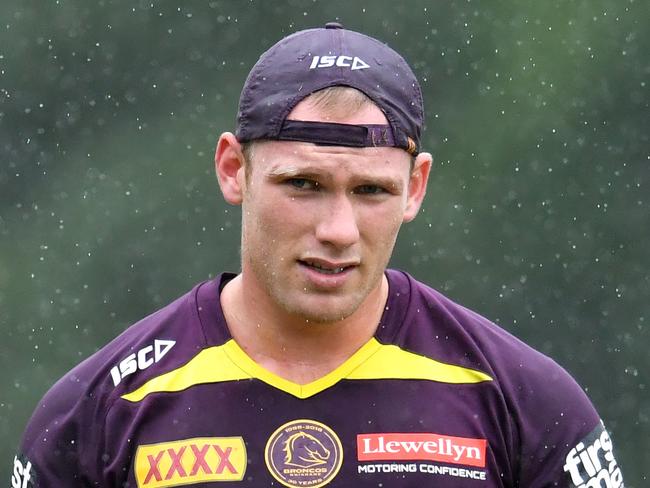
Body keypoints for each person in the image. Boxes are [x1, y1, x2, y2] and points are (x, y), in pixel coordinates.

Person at [12, 23, 624, 488]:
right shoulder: (96, 413)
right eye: (303, 185)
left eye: (371, 191)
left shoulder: (527, 404)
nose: (338, 229)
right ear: (233, 170)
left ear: (415, 188)